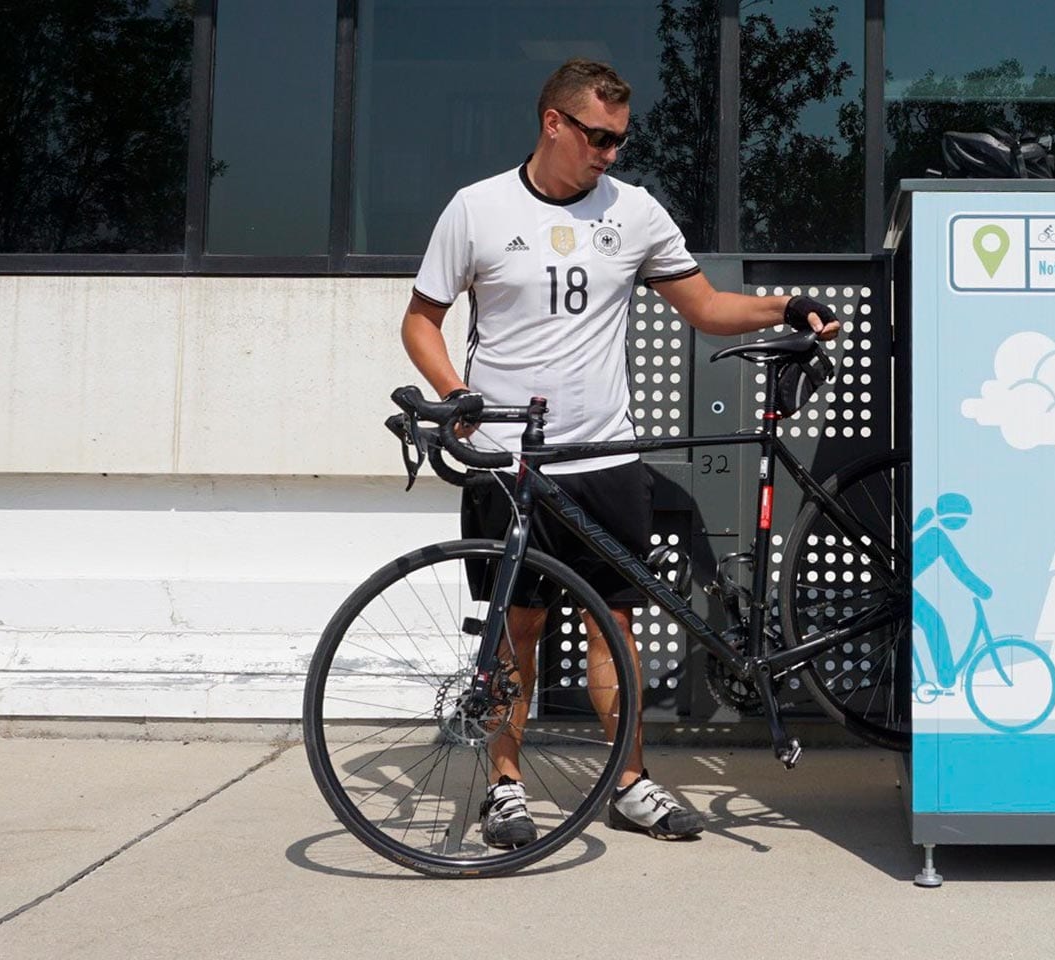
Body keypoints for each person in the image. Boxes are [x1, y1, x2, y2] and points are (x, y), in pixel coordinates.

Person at [400, 58, 843, 848]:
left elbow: (704, 306)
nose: (610, 153)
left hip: (605, 457)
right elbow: (421, 322)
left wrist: (786, 304)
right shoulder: (477, 209)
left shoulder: (634, 212)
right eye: (598, 137)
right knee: (516, 635)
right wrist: (456, 396)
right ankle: (505, 788)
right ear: (553, 123)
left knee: (617, 627)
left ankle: (629, 783)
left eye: (619, 140)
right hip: (511, 463)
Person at [911, 492, 989, 688]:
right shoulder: (934, 535)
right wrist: (982, 590)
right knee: (933, 622)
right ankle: (946, 679)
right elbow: (959, 569)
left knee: (933, 621)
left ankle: (945, 678)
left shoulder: (929, 530)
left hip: (902, 581)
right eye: (959, 521)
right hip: (901, 582)